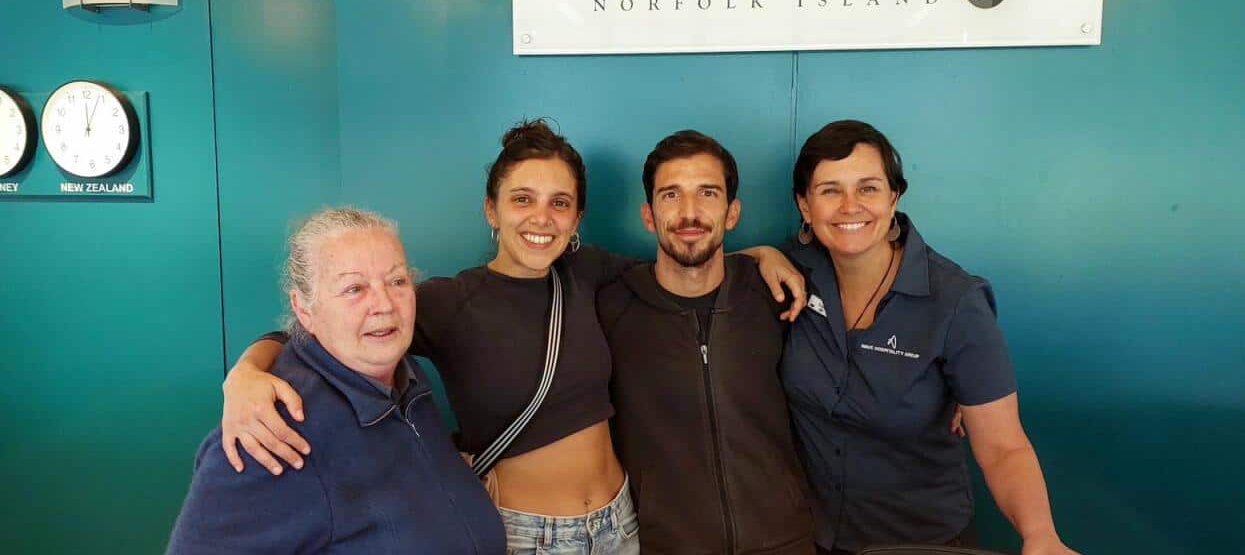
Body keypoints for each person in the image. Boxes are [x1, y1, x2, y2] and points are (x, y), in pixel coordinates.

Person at [218, 120, 806, 555]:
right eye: (522, 200)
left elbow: (687, 257)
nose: (541, 218)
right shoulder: (451, 301)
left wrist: (761, 254)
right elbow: (331, 330)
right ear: (491, 210)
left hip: (623, 526)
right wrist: (247, 372)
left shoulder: (590, 272)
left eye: (560, 203)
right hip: (526, 536)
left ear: (577, 220)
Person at [781, 120, 1079, 555]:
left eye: (867, 188)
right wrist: (763, 255)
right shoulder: (790, 275)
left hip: (922, 542)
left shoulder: (955, 301)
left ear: (894, 197)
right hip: (812, 538)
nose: (850, 206)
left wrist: (1040, 535)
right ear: (805, 206)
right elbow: (707, 267)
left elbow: (1002, 447)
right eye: (830, 190)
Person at [166, 207, 506, 554]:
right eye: (354, 288)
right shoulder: (271, 434)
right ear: (304, 310)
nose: (384, 304)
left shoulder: (404, 378)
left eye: (397, 281)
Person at [598, 131, 814, 554]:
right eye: (671, 195)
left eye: (708, 193)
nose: (690, 213)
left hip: (785, 541)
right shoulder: (611, 307)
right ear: (648, 214)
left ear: (732, 212)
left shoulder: (777, 294)